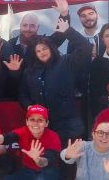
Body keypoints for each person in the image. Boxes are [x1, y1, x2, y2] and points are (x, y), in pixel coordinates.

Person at [17, 18, 92, 152]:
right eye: (38, 51)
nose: (42, 53)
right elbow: (23, 93)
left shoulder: (66, 62)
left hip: (68, 125)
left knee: (69, 159)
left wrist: (68, 31)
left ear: (51, 48)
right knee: (47, 158)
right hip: (43, 126)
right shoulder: (30, 72)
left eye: (44, 49)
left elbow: (85, 48)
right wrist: (28, 105)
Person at [9, 0, 70, 68]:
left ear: (38, 28)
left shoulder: (45, 42)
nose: (28, 29)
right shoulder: (10, 44)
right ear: (20, 26)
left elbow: (61, 34)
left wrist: (64, 14)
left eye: (32, 26)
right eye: (25, 25)